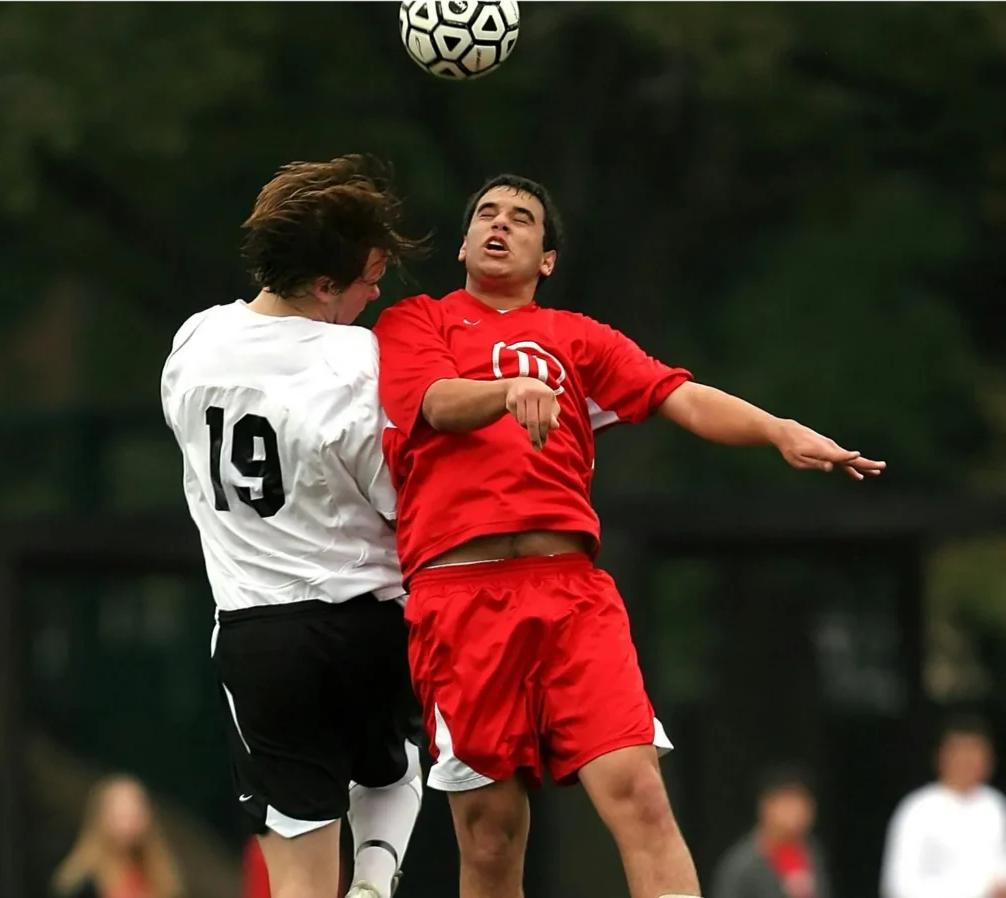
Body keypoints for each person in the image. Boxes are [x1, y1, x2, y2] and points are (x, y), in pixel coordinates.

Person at [373, 173, 886, 898]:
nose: (500, 224)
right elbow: (438, 402)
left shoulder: (576, 338)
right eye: (486, 213)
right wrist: (507, 392)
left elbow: (683, 396)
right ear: (461, 243)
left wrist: (778, 430)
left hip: (571, 596)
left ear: (546, 259)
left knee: (641, 795)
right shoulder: (415, 321)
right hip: (461, 599)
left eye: (522, 218)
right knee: (489, 837)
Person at [160, 156, 428, 898]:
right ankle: (374, 883)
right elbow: (397, 499)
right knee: (400, 766)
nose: (377, 294)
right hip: (369, 622)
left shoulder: (193, 344)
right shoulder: (356, 361)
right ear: (323, 287)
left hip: (259, 640)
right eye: (369, 279)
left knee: (298, 876)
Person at [880, 713, 1006, 898]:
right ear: (943, 756)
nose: (969, 761)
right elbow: (899, 886)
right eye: (962, 752)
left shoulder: (996, 805)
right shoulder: (918, 810)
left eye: (977, 752)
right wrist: (976, 890)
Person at [51, 774, 183, 898]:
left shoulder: (160, 877)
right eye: (121, 814)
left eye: (134, 813)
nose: (128, 823)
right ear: (101, 817)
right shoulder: (83, 883)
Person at [712, 766, 831, 898]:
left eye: (804, 802)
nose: (798, 812)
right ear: (766, 807)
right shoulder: (743, 864)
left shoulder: (811, 851)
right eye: (788, 803)